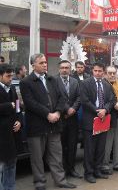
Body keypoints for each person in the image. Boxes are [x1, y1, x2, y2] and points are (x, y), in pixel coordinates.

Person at [20, 53, 76, 190]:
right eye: (41, 63)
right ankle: (39, 183)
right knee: (37, 158)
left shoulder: (52, 79)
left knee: (56, 155)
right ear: (33, 65)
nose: (45, 65)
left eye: (45, 62)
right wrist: (47, 114)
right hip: (37, 126)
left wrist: (57, 112)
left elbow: (63, 98)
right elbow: (30, 103)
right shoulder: (26, 82)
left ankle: (61, 181)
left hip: (54, 125)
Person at [80, 63, 116, 184]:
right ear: (92, 71)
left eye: (100, 71)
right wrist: (97, 111)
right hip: (90, 121)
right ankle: (88, 173)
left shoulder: (106, 84)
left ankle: (97, 170)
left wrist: (105, 110)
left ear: (103, 72)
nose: (98, 73)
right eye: (96, 71)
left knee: (101, 148)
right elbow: (84, 100)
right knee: (90, 149)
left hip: (103, 121)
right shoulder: (85, 84)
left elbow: (113, 99)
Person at [56, 60, 82, 178]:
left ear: (70, 69)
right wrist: (67, 109)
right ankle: (62, 171)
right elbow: (55, 97)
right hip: (60, 118)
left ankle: (71, 169)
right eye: (62, 68)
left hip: (73, 119)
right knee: (60, 146)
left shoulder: (75, 81)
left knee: (72, 145)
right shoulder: (53, 81)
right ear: (59, 69)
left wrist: (73, 109)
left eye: (67, 67)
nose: (64, 70)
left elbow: (79, 97)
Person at [0, 63, 21, 190]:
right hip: (1, 136)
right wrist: (9, 106)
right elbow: (12, 105)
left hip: (13, 135)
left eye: (12, 76)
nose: (10, 79)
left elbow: (18, 106)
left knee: (11, 165)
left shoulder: (12, 88)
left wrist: (19, 121)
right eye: (8, 76)